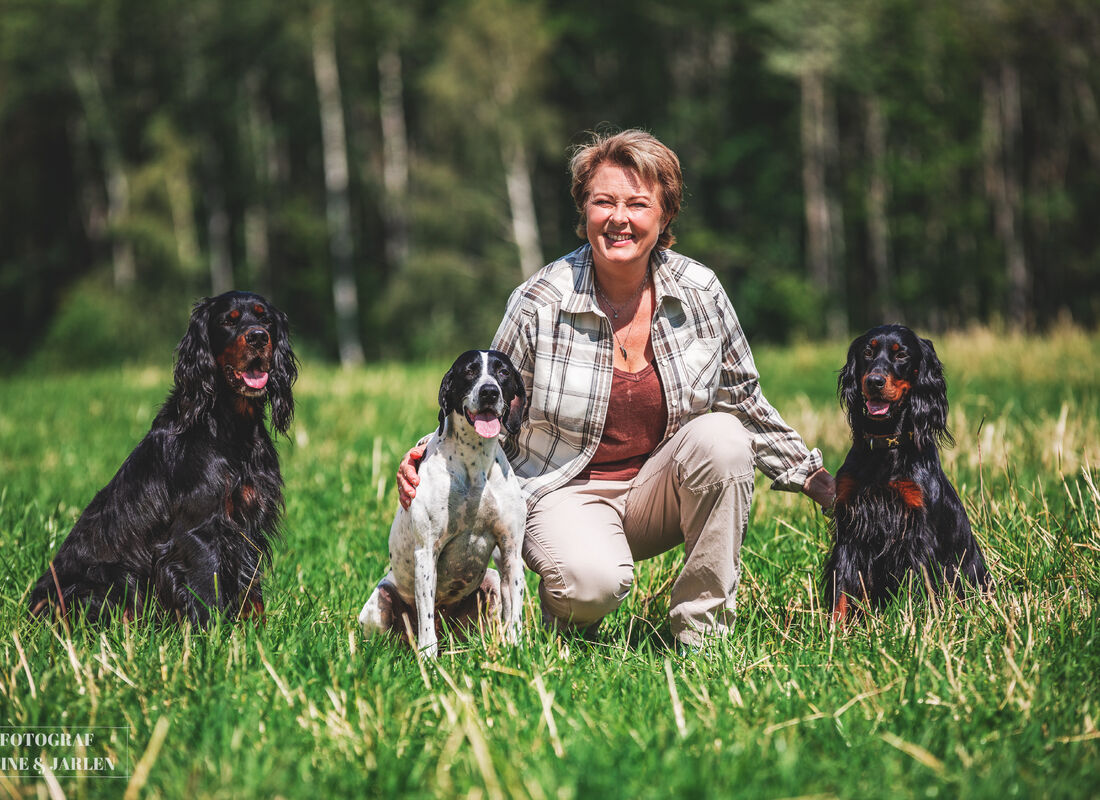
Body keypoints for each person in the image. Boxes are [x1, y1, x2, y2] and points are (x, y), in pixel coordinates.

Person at [398, 129, 836, 649]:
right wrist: (430, 456)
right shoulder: (540, 299)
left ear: (665, 215)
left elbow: (744, 402)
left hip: (658, 488)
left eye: (638, 203)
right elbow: (487, 396)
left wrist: (817, 480)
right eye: (603, 201)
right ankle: (569, 624)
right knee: (591, 584)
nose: (619, 218)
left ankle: (701, 639)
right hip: (563, 491)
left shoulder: (701, 292)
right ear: (583, 212)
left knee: (725, 438)